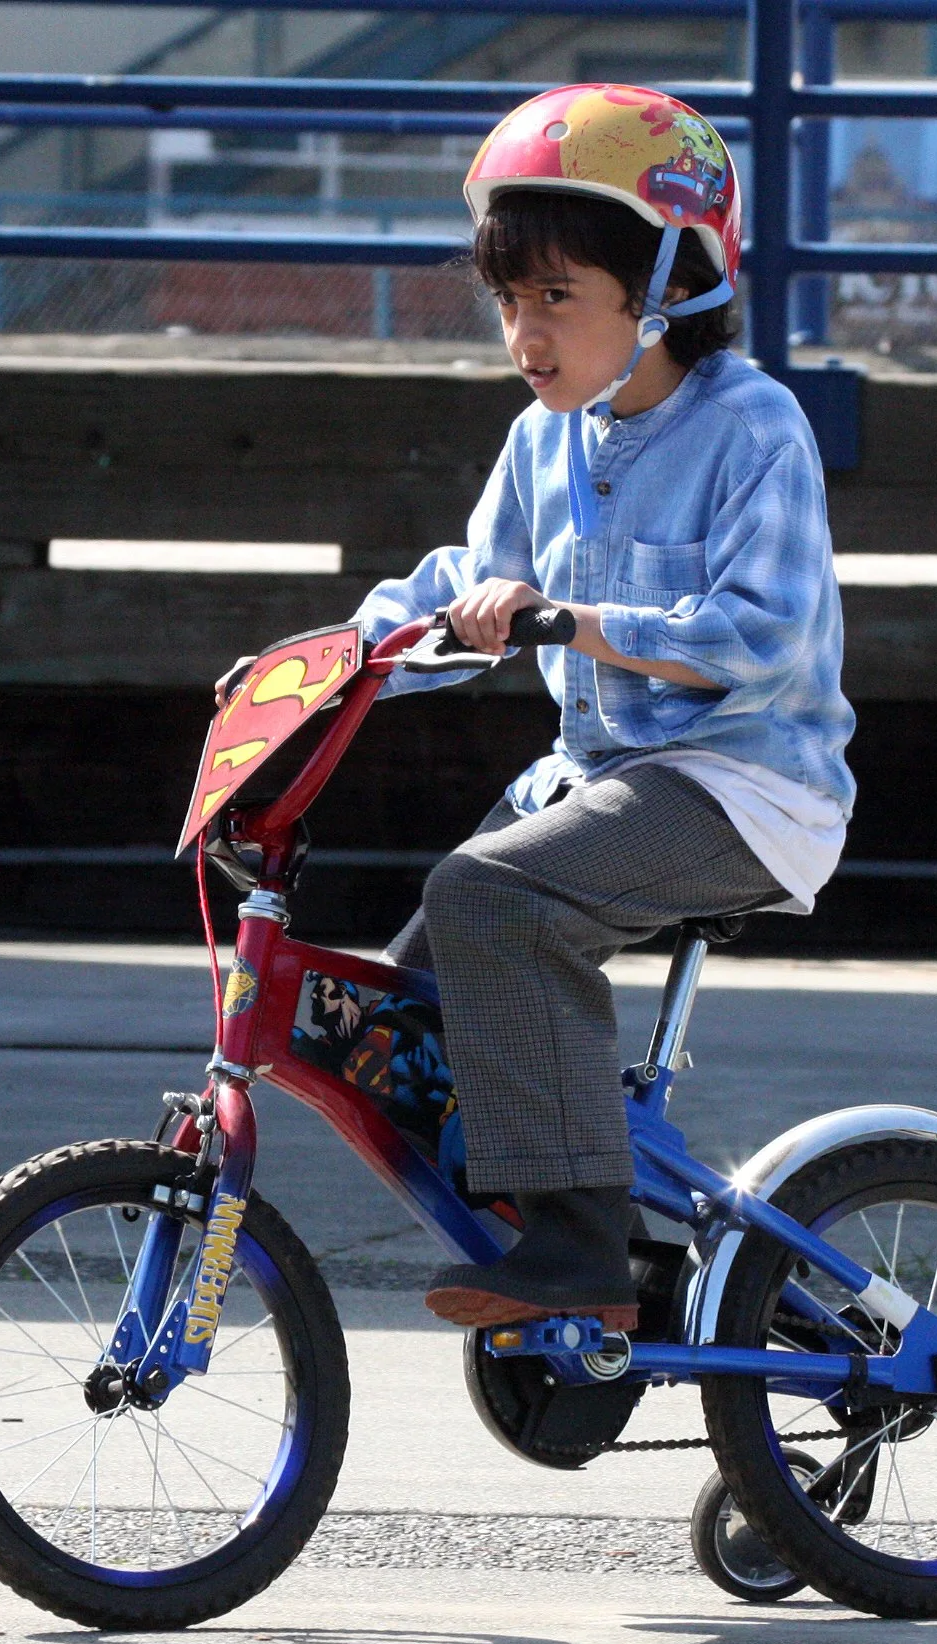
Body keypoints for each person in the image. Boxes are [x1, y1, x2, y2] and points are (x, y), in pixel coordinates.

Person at [351, 84, 857, 1332]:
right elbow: (464, 593)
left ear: (669, 282)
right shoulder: (544, 439)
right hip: (600, 778)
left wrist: (567, 620)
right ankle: (600, 1267)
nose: (525, 331)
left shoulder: (754, 428)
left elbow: (758, 637)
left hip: (748, 786)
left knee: (495, 898)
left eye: (557, 298)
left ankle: (581, 1247)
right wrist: (331, 658)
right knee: (385, 1028)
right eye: (509, 299)